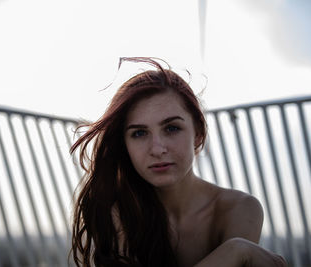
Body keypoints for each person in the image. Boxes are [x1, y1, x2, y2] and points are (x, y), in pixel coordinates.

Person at [70, 57, 286, 267]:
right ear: (124, 144)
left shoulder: (238, 209)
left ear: (198, 134)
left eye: (172, 128)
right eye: (139, 133)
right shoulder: (118, 211)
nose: (157, 149)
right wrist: (236, 252)